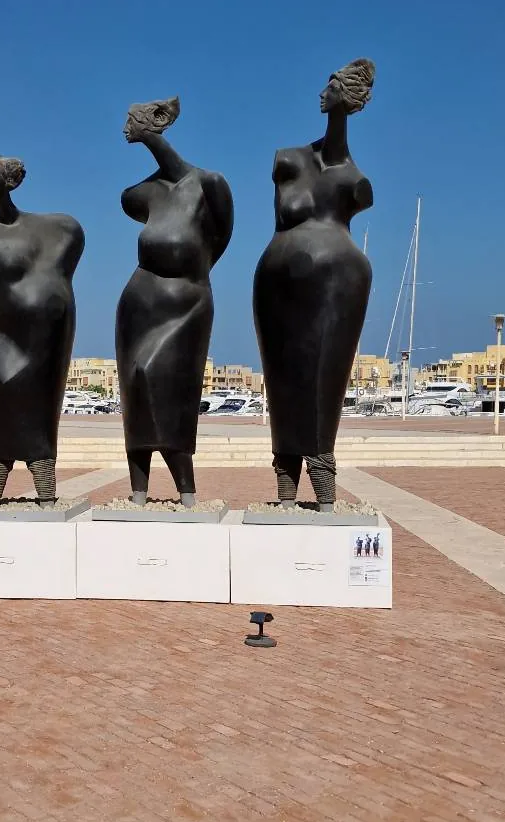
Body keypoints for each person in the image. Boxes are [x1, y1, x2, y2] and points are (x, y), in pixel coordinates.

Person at [253, 59, 376, 509]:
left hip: (338, 283)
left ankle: (323, 474)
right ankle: (285, 481)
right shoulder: (288, 160)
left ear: (348, 98)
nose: (321, 94)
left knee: (326, 376)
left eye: (331, 88)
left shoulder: (358, 182)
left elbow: (343, 159)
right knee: (282, 378)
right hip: (276, 284)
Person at [115, 98, 233, 505]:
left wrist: (191, 271)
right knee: (134, 384)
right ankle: (138, 491)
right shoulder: (141, 193)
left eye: (132, 120)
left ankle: (186, 488)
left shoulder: (208, 184)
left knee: (166, 385)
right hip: (138, 305)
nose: (125, 127)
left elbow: (220, 239)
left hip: (187, 304)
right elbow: (129, 202)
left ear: (156, 123)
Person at [0, 157, 84, 503]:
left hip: (48, 346)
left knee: (43, 421)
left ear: (14, 180)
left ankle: (45, 490)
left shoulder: (62, 229)